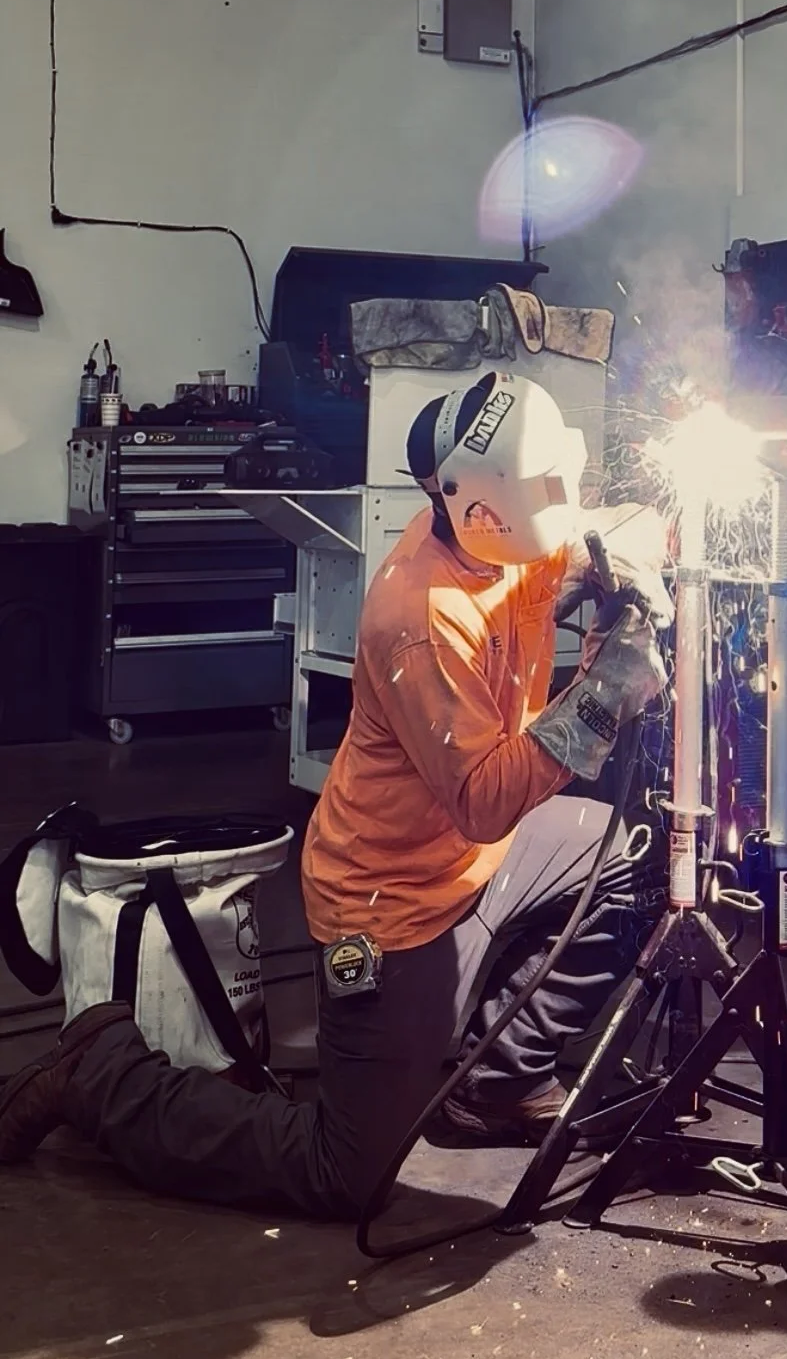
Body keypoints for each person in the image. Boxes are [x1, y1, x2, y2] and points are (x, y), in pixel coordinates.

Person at [0, 371, 670, 1218]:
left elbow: (595, 537)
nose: (560, 511)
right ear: (480, 510)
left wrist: (627, 560)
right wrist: (606, 691)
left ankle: (491, 1088)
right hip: (389, 904)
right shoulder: (421, 616)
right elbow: (487, 802)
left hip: (481, 867)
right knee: (343, 1174)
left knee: (625, 855)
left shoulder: (521, 530)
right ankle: (103, 1076)